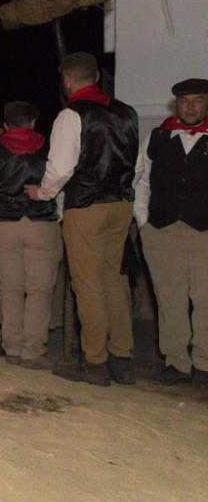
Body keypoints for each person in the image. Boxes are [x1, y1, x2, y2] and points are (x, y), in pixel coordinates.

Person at [26, 52, 139, 386]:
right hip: (121, 204)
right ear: (97, 77)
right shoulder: (127, 113)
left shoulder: (71, 115)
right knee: (113, 280)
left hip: (86, 205)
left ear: (67, 80)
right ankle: (122, 357)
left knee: (87, 284)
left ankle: (96, 362)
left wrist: (43, 193)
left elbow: (60, 168)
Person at [0, 101, 62, 369]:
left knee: (9, 287)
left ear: (7, 124)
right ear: (33, 122)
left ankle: (11, 346)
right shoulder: (50, 148)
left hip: (3, 222)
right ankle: (32, 350)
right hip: (42, 222)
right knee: (40, 289)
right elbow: (60, 183)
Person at [133, 78, 208, 387]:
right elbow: (141, 180)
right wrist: (142, 221)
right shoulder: (157, 136)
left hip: (204, 231)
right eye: (184, 100)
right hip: (162, 230)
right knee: (169, 298)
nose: (190, 106)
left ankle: (204, 363)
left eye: (198, 100)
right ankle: (177, 362)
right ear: (176, 103)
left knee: (205, 299)